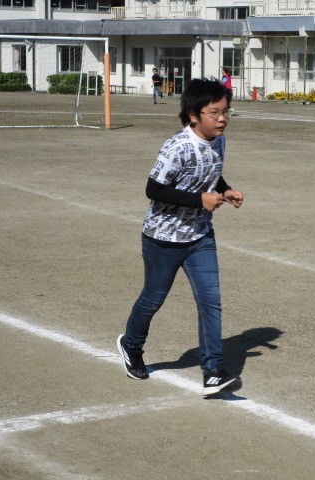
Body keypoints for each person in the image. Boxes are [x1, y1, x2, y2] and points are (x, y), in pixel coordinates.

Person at [117, 79, 243, 397]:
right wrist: (200, 200)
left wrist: (225, 190)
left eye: (226, 111)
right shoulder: (177, 147)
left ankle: (213, 372)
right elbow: (154, 189)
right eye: (214, 112)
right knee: (153, 299)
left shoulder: (219, 141)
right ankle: (131, 345)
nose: (222, 119)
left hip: (200, 235)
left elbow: (210, 172)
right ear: (193, 115)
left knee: (210, 301)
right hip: (163, 237)